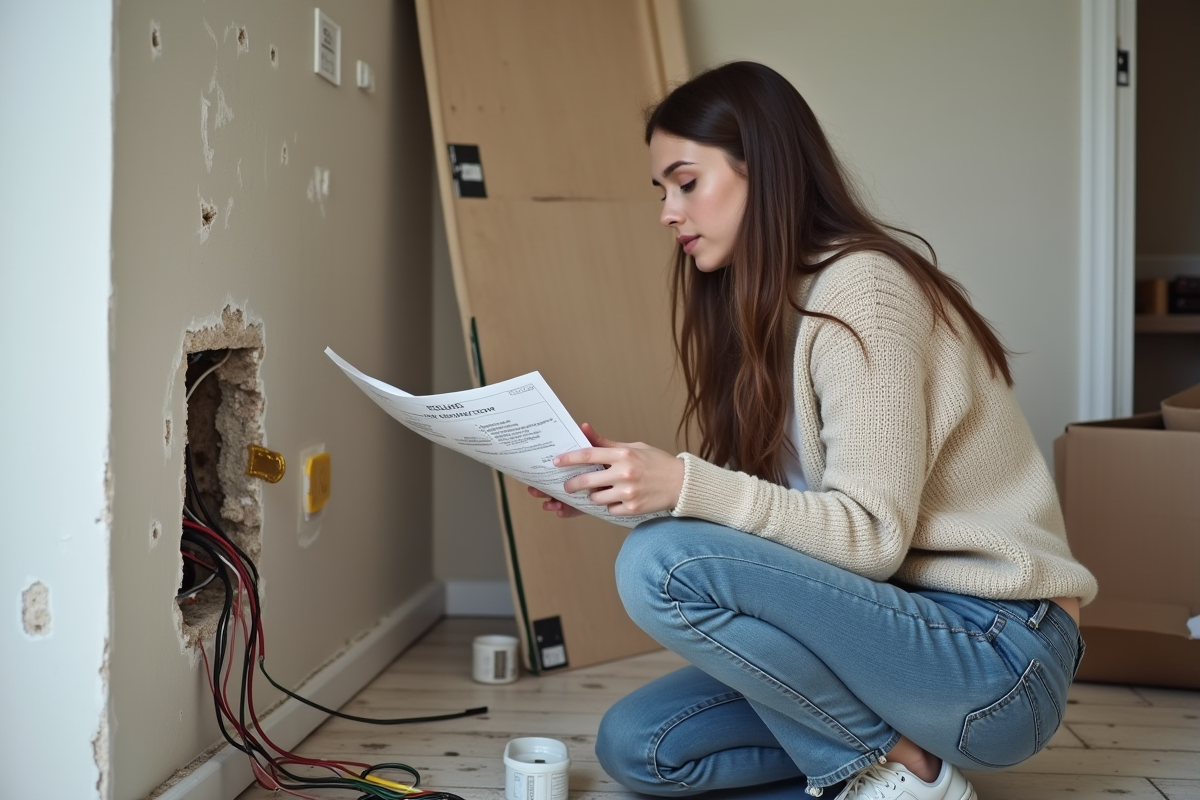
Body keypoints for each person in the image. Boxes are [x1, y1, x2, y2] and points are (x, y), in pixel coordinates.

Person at [527, 61, 1097, 800]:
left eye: (686, 182)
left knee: (658, 565)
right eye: (661, 191)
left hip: (999, 655)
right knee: (644, 748)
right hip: (893, 639)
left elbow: (871, 537)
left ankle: (899, 767)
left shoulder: (864, 288)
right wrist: (627, 488)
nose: (668, 211)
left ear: (761, 169)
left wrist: (684, 486)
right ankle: (872, 767)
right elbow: (773, 550)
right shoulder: (768, 313)